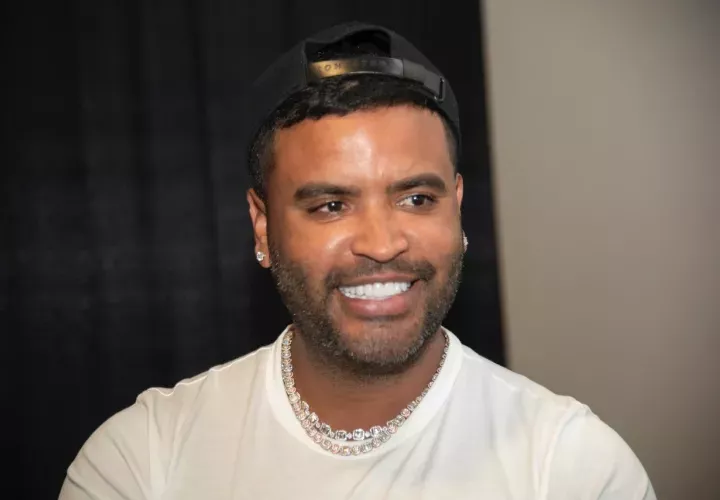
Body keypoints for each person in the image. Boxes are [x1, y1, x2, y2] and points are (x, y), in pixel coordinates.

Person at [59, 22, 656, 499]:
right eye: (330, 205)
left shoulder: (572, 466)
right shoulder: (145, 460)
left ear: (458, 207)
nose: (382, 242)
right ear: (262, 225)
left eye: (416, 198)